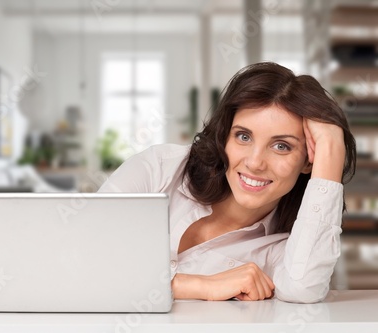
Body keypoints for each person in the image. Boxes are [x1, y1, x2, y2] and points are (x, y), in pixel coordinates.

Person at [97, 62, 356, 303]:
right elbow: (81, 259)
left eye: (281, 146)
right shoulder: (159, 169)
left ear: (309, 161)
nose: (255, 163)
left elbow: (304, 288)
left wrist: (331, 148)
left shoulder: (288, 243)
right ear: (225, 137)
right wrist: (198, 286)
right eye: (243, 136)